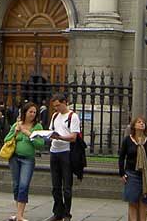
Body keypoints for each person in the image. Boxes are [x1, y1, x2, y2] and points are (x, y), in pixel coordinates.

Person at [5, 101, 45, 221]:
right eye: (30, 112)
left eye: (34, 112)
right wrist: (16, 132)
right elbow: (6, 139)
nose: (32, 114)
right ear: (25, 112)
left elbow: (40, 144)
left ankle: (20, 215)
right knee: (16, 185)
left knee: (23, 185)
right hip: (14, 158)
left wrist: (29, 134)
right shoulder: (17, 124)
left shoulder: (37, 127)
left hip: (28, 159)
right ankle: (18, 213)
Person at [49, 92, 81, 221]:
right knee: (55, 186)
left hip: (66, 152)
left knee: (67, 186)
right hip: (54, 151)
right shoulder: (55, 116)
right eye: (54, 106)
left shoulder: (73, 116)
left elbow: (73, 137)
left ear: (64, 103)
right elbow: (51, 130)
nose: (56, 108)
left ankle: (67, 213)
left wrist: (60, 137)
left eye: (58, 105)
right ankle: (58, 212)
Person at [119, 115, 147, 221]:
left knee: (144, 202)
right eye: (139, 122)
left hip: (145, 174)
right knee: (133, 201)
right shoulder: (128, 140)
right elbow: (122, 157)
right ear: (134, 125)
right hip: (132, 173)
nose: (141, 124)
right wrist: (122, 173)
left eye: (143, 122)